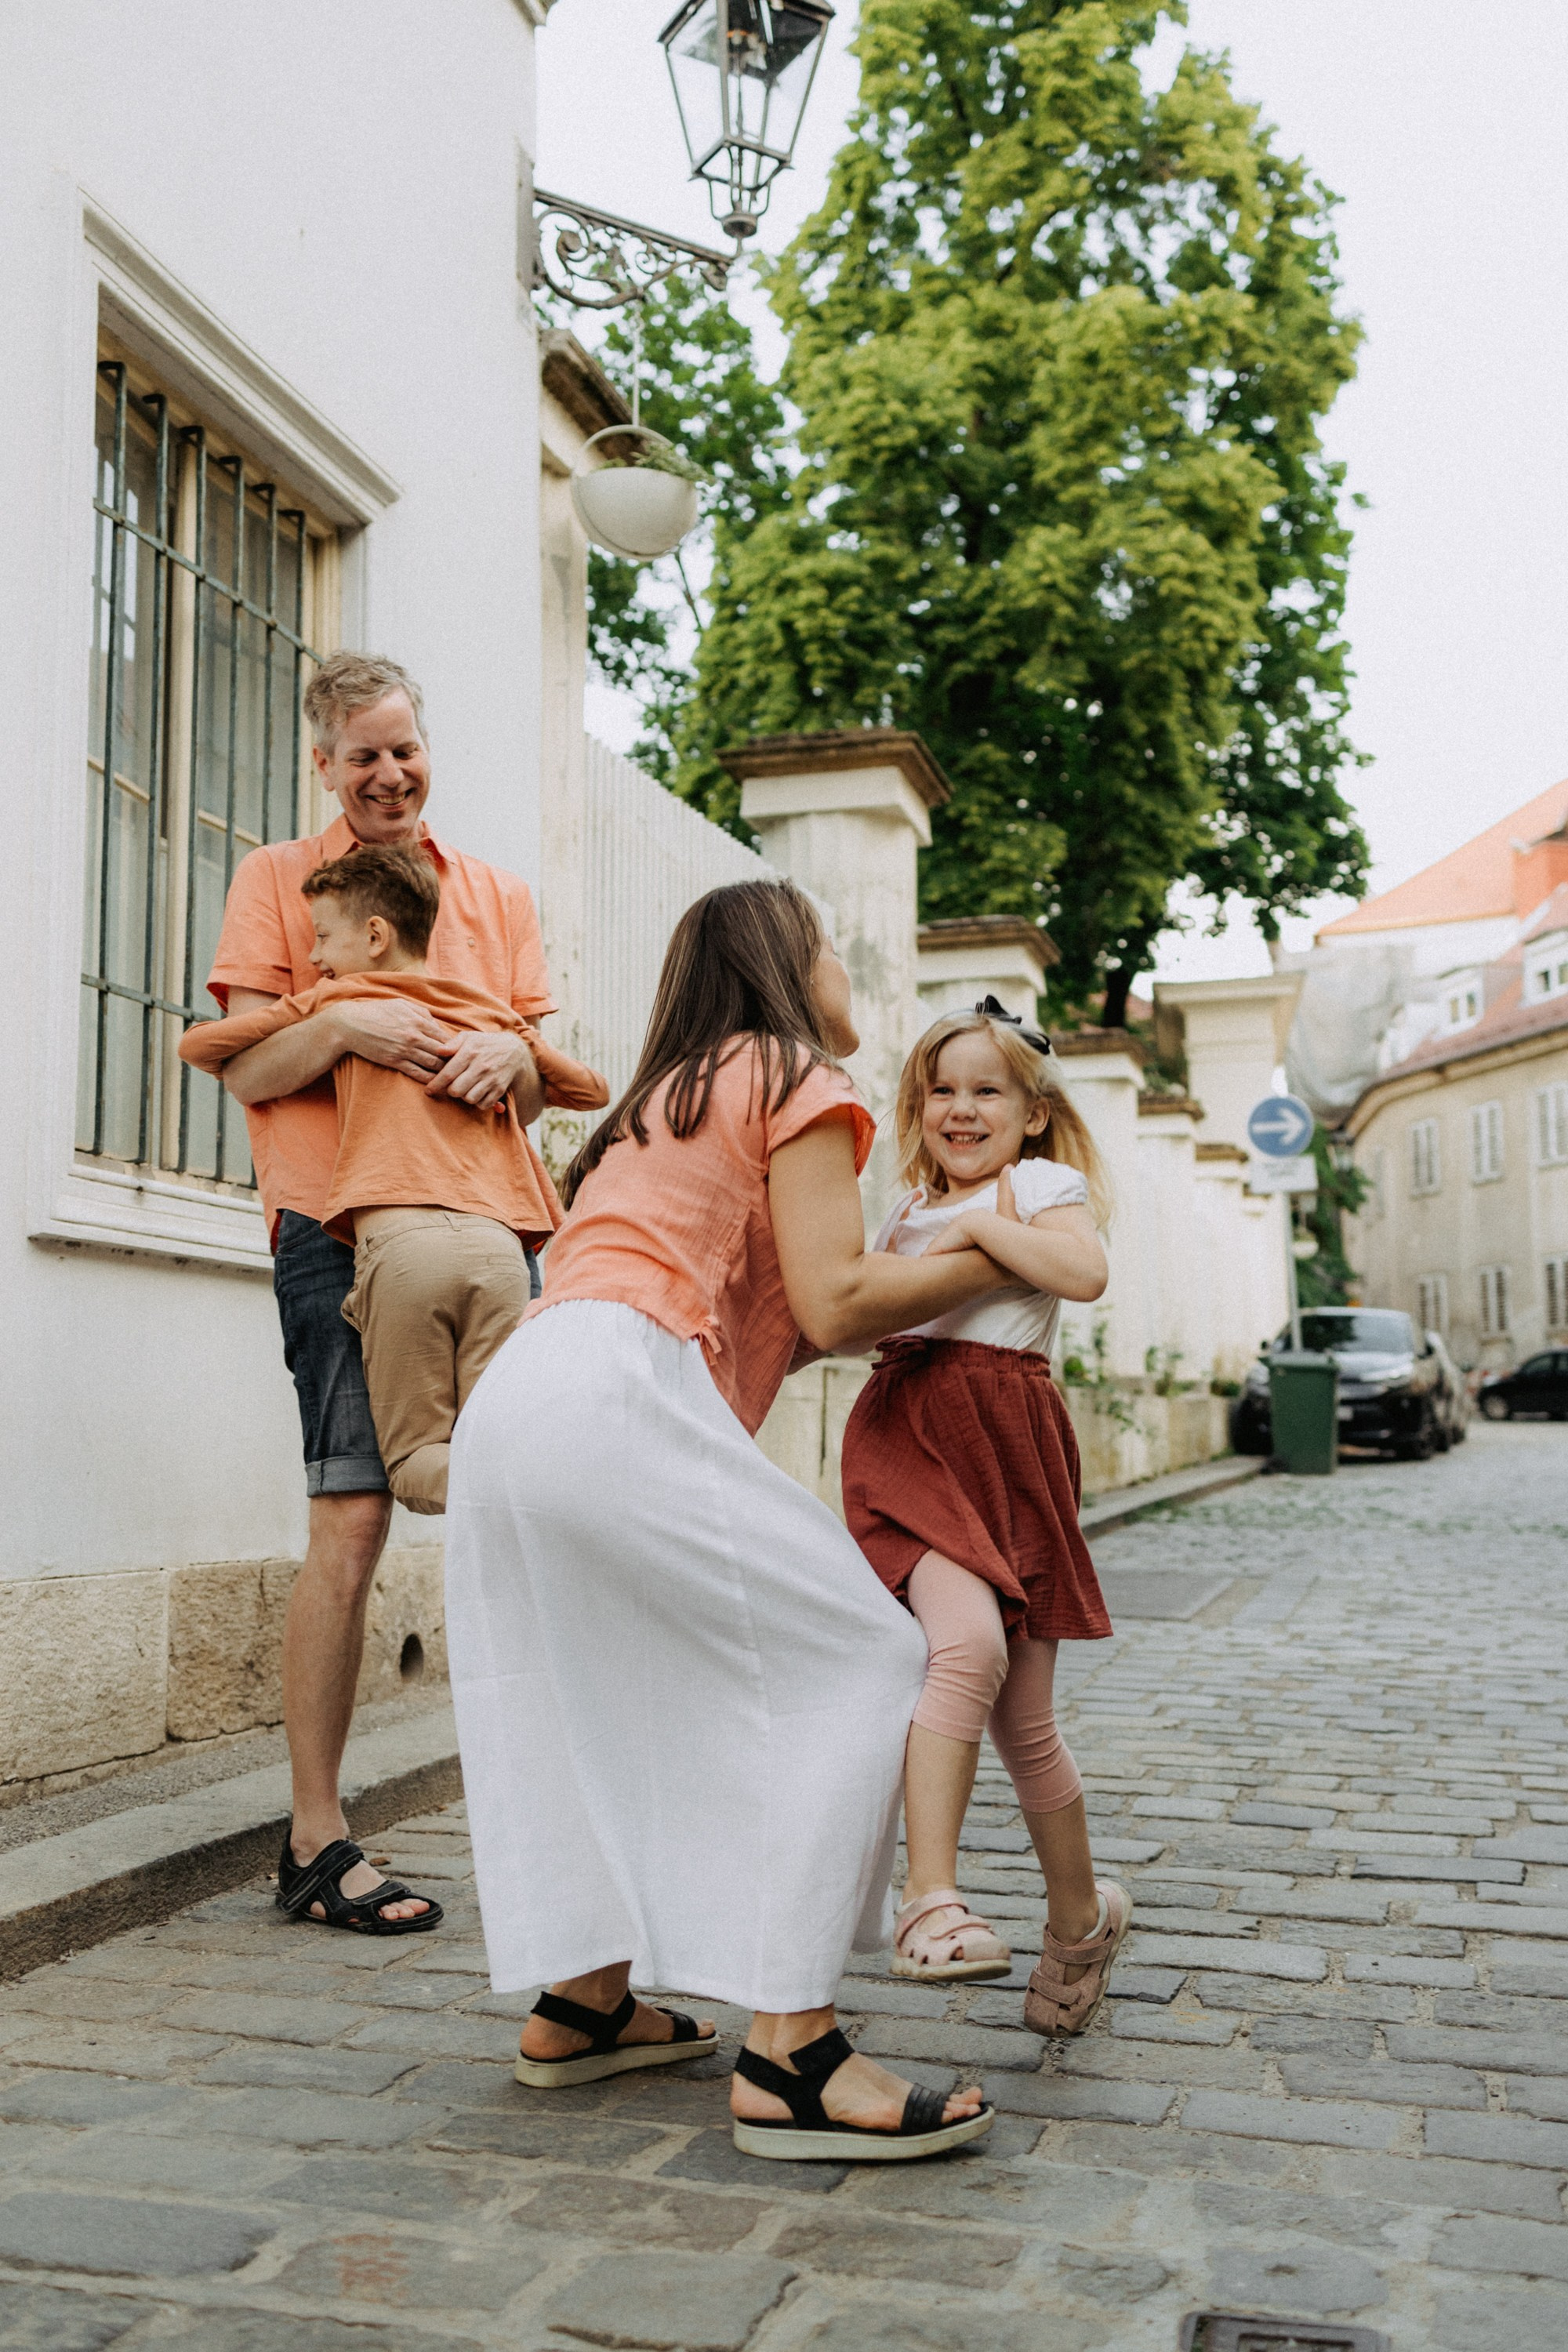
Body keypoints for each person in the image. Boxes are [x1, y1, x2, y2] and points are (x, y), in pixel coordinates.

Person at [444, 880, 1025, 2161]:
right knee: (872, 1654)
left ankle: (586, 2000)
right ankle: (795, 2054)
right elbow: (831, 1300)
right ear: (785, 964)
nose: (845, 967)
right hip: (609, 1389)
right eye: (830, 942)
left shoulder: (664, 1098)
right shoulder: (792, 1073)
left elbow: (773, 1314)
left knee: (577, 1685)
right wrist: (1003, 1252)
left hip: (525, 1399)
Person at [209, 652, 556, 1935]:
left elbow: (535, 1081)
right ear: (326, 764)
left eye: (405, 748)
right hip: (336, 1228)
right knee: (352, 1522)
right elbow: (249, 1074)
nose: (390, 771)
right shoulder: (276, 883)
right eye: (363, 753)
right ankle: (316, 1840)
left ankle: (550, 1801)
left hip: (488, 1230)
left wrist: (502, 1052)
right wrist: (348, 1023)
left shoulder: (498, 895)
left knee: (522, 1506)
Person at [839, 1002, 1132, 2035]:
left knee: (1027, 1727)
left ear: (1033, 1114)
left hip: (1007, 1453)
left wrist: (975, 1223)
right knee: (963, 1651)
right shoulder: (899, 1207)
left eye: (987, 1090)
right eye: (942, 1089)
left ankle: (1081, 1920)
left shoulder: (1040, 1188)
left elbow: (1084, 1274)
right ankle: (932, 1896)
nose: (961, 1109)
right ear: (919, 1105)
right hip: (910, 1447)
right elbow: (847, 1320)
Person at [182, 842, 608, 1519]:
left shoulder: (342, 995)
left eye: (323, 937)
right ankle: (563, 1486)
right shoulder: (485, 1012)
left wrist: (334, 1024)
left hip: (405, 1249)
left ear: (375, 936)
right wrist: (515, 1047)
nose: (315, 956)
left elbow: (205, 1048)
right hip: (501, 1250)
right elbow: (589, 1089)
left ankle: (550, 1490)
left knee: (414, 1466)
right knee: (499, 1438)